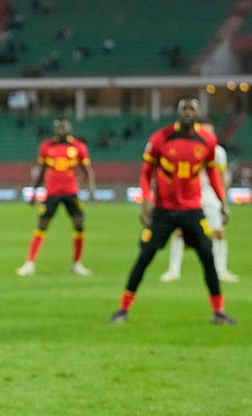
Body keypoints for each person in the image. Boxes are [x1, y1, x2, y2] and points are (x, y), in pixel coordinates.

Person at [110, 98, 237, 325]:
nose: (188, 113)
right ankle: (123, 309)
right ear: (177, 113)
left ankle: (218, 312)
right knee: (144, 257)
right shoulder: (161, 138)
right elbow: (146, 171)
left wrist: (222, 202)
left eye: (192, 109)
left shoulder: (207, 141)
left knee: (208, 257)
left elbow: (213, 176)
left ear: (198, 114)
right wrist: (145, 200)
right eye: (184, 109)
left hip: (192, 210)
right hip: (163, 211)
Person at [160, 120, 239, 283]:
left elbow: (221, 178)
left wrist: (222, 200)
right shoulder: (190, 149)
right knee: (180, 232)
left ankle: (221, 271)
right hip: (190, 196)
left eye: (211, 132)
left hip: (210, 196)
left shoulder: (219, 152)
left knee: (218, 232)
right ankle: (173, 271)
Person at [16, 118, 96, 276]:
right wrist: (33, 192)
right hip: (52, 192)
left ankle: (77, 264)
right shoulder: (46, 147)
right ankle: (30, 263)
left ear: (69, 129)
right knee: (42, 224)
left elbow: (87, 169)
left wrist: (91, 187)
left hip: (71, 192)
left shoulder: (78, 147)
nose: (61, 130)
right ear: (55, 130)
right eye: (59, 128)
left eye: (64, 128)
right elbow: (41, 171)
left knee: (79, 224)